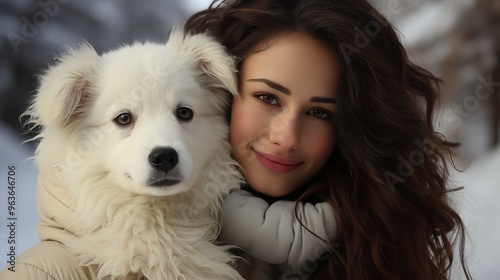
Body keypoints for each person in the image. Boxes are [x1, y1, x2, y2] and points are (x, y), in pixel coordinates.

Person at [184, 0, 473, 279]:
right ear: (219, 88)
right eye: (268, 98)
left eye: (319, 113)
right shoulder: (146, 245)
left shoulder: (375, 245)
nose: (286, 138)